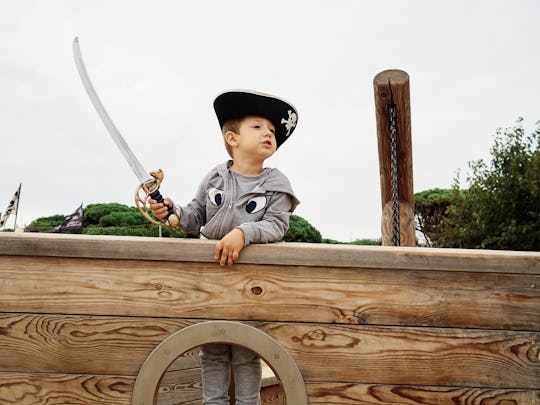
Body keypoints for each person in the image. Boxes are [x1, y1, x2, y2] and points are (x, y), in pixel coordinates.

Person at [149, 90, 299, 405]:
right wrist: (172, 211)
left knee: (246, 350)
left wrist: (243, 233)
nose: (268, 134)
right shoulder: (215, 176)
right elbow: (193, 217)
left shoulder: (276, 184)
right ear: (232, 137)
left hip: (250, 281)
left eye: (272, 131)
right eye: (258, 127)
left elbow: (277, 225)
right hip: (211, 278)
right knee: (213, 349)